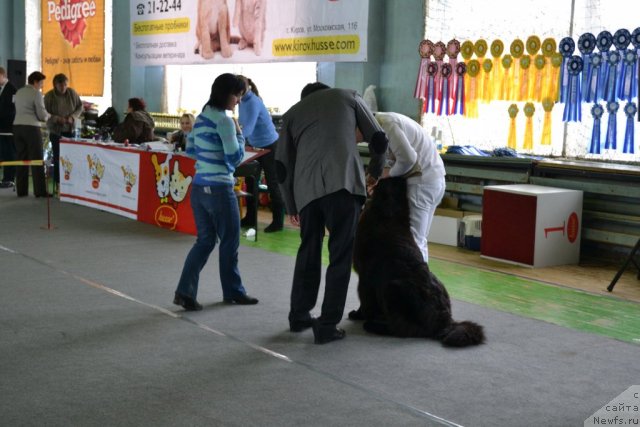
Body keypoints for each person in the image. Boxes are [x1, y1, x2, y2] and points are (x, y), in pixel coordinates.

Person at [275, 82, 388, 344]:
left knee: (308, 251)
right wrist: (373, 172)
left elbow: (281, 167)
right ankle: (327, 325)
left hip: (306, 193)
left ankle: (299, 315)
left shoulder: (292, 114)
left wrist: (291, 206)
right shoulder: (348, 96)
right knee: (340, 255)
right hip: (344, 186)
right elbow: (379, 139)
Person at [174, 73, 258, 311]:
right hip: (220, 189)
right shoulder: (224, 121)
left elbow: (190, 151)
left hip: (199, 188)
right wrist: (240, 134)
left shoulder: (200, 119)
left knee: (205, 241)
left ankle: (185, 291)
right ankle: (233, 291)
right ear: (226, 94)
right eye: (237, 95)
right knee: (230, 240)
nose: (238, 101)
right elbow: (235, 157)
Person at [367, 112, 446, 262]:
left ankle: (416, 283)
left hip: (422, 183)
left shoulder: (387, 124)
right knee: (419, 240)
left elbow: (408, 159)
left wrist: (387, 174)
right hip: (431, 180)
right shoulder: (386, 121)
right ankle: (420, 281)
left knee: (413, 240)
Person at [237, 75, 285, 233]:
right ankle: (250, 218)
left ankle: (278, 221)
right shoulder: (242, 101)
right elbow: (243, 125)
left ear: (245, 88)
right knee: (251, 182)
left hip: (270, 145)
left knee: (273, 182)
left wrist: (235, 140)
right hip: (255, 145)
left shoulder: (252, 102)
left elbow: (247, 129)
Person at [13, 71, 50, 198]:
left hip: (17, 127)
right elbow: (41, 115)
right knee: (36, 160)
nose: (41, 86)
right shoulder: (36, 94)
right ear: (35, 82)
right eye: (41, 83)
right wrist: (48, 117)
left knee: (21, 159)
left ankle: (21, 191)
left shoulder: (19, 92)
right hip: (31, 128)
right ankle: (40, 191)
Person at [44, 73, 83, 187]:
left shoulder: (72, 93)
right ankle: (58, 183)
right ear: (55, 85)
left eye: (65, 85)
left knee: (70, 158)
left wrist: (73, 117)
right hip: (56, 131)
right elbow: (44, 113)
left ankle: (70, 183)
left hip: (70, 130)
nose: (63, 88)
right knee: (57, 158)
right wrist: (56, 118)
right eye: (61, 85)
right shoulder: (49, 96)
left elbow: (80, 107)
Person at [0, 67, 17, 188]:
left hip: (9, 129)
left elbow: (12, 110)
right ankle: (5, 178)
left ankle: (9, 179)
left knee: (10, 154)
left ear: (2, 75)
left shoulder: (12, 89)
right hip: (1, 129)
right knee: (3, 154)